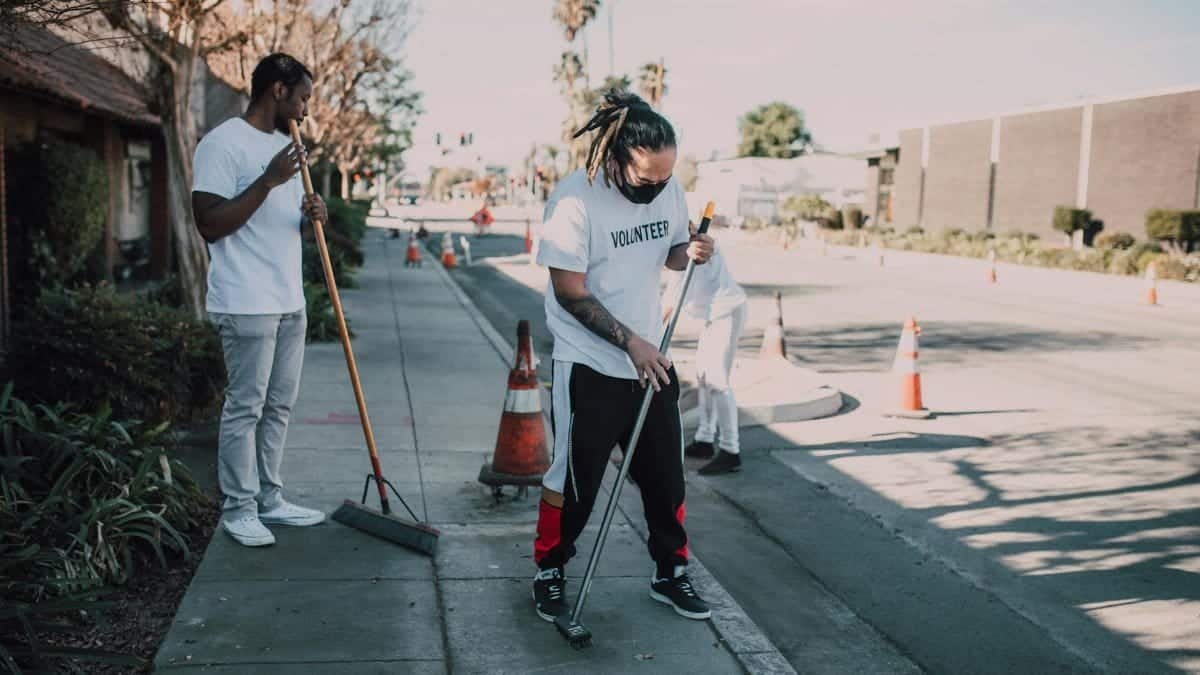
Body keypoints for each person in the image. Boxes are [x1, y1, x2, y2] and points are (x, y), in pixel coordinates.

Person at [531, 91, 715, 623]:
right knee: (574, 482)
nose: (657, 188)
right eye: (645, 180)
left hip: (650, 363)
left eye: (665, 179)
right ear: (614, 158)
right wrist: (629, 341)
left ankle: (671, 572)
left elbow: (674, 254)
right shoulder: (573, 201)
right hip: (588, 362)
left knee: (666, 478)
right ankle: (549, 569)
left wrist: (693, 251)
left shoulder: (668, 188)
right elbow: (569, 290)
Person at [191, 53, 327, 547]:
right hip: (246, 299)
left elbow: (280, 228)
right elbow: (209, 222)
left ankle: (271, 499)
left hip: (289, 297)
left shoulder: (287, 147)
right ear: (277, 90)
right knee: (245, 407)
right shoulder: (222, 143)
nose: (307, 109)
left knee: (279, 406)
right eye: (304, 98)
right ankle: (239, 508)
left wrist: (313, 216)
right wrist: (268, 181)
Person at [662, 242, 748, 475]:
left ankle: (731, 451)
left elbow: (668, 307)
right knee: (703, 376)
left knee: (718, 381)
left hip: (727, 312)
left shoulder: (692, 250)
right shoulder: (682, 250)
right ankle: (704, 440)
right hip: (714, 316)